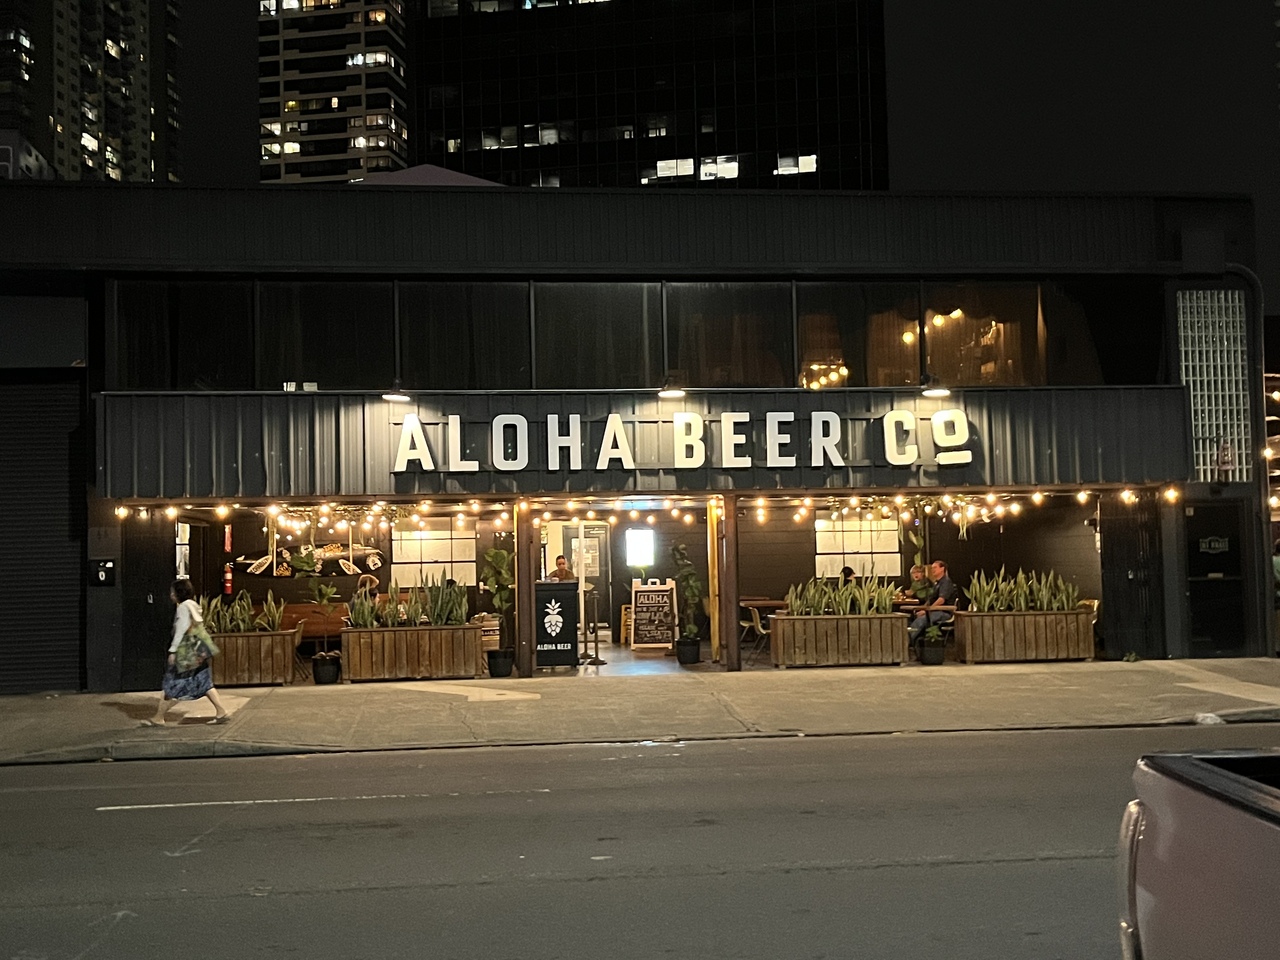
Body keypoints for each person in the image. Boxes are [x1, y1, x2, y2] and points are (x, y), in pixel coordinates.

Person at [142, 579, 229, 726]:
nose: (171, 595)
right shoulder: (194, 605)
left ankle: (159, 717)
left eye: (173, 592)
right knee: (204, 681)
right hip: (199, 649)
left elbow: (181, 630)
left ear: (179, 593)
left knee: (171, 682)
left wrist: (173, 650)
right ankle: (221, 711)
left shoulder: (183, 607)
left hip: (186, 651)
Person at [907, 559, 958, 655]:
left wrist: (927, 610)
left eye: (935, 568)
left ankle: (907, 643)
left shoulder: (946, 582)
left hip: (944, 612)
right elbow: (931, 600)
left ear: (942, 569)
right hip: (935, 611)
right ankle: (914, 644)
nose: (932, 570)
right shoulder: (936, 583)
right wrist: (923, 608)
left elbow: (941, 600)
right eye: (932, 568)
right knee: (914, 616)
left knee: (923, 619)